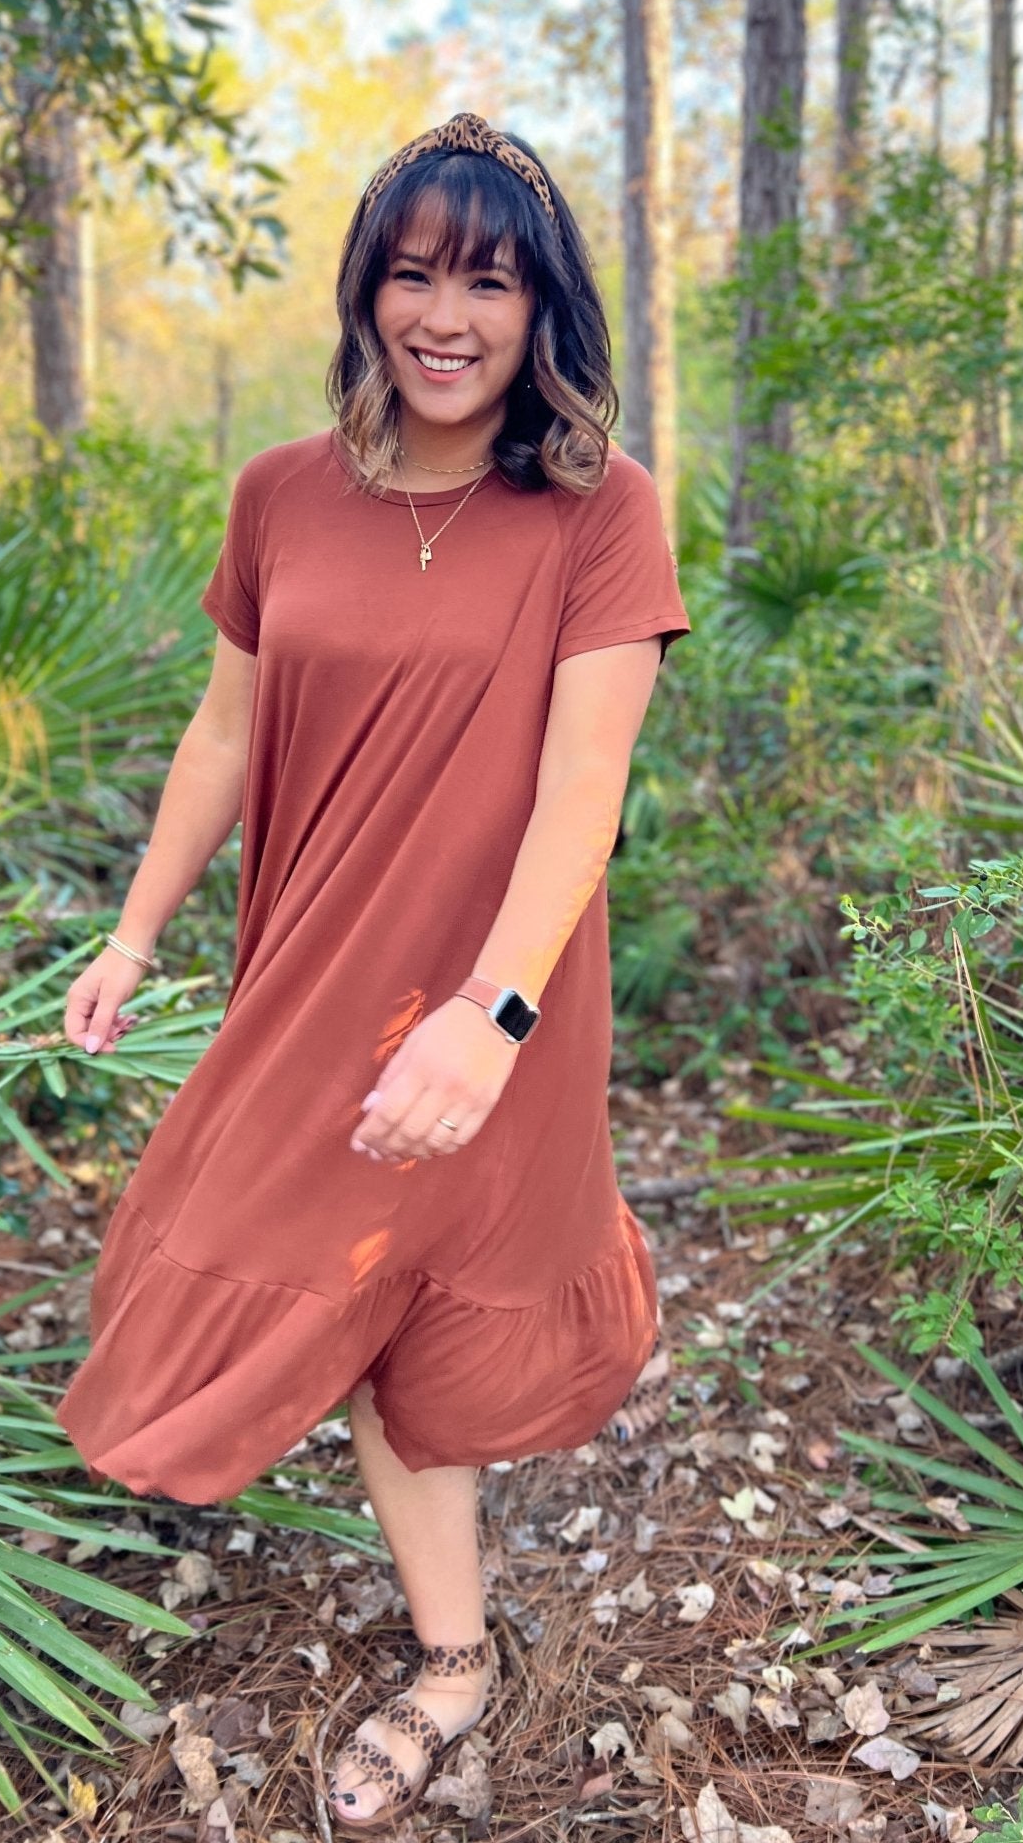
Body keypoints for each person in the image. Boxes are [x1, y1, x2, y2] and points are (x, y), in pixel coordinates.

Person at [57, 111, 691, 1827]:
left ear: (541, 307)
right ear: (366, 291)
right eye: (414, 275)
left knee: (422, 1295)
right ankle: (439, 1624)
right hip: (310, 970)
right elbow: (224, 730)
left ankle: (453, 1663)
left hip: (495, 988)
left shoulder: (600, 512)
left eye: (487, 282)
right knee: (278, 1256)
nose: (445, 317)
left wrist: (492, 1017)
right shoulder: (282, 494)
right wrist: (133, 932)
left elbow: (585, 793)